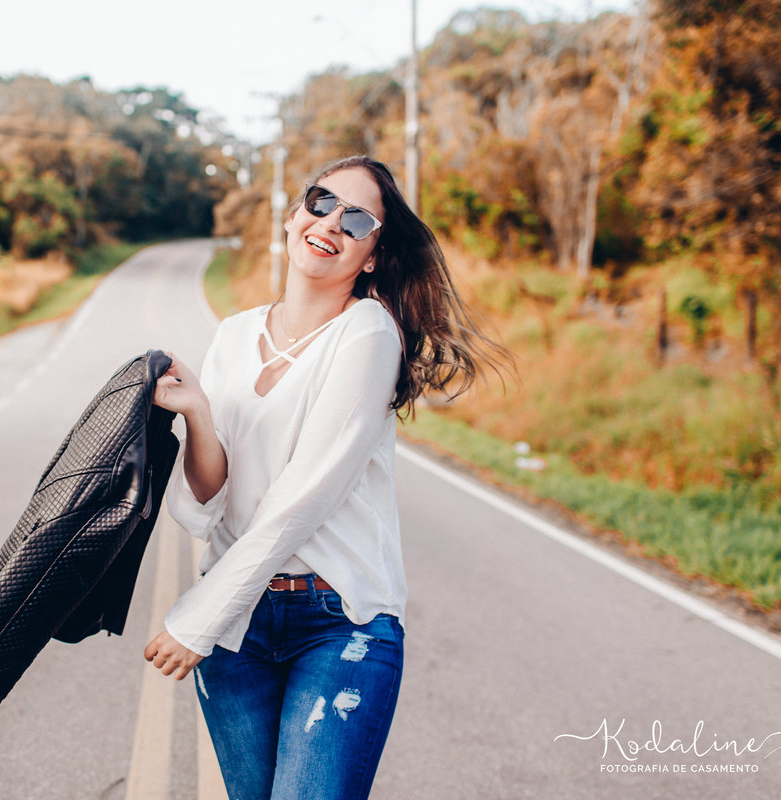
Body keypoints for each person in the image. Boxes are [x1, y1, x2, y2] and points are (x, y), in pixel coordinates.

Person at [145, 155, 509, 799]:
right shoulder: (232, 336)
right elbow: (210, 500)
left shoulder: (368, 334)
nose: (332, 222)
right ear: (292, 219)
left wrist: (199, 615)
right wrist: (199, 413)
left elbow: (301, 497)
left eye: (359, 218)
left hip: (337, 622)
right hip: (240, 629)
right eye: (321, 202)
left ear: (370, 256)